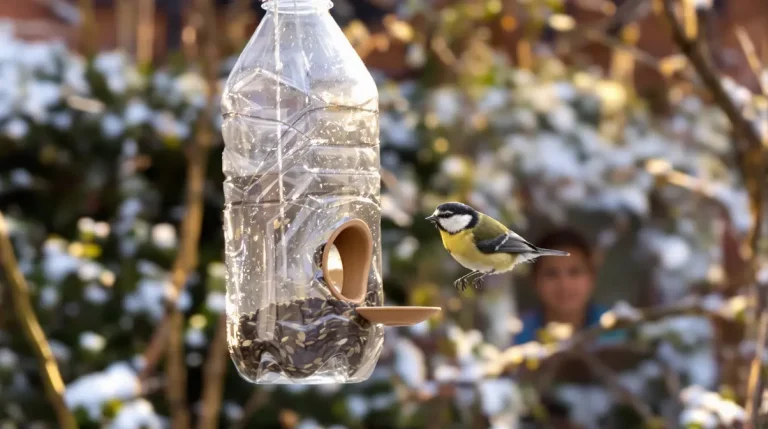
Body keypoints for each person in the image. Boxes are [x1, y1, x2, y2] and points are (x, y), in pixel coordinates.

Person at [513, 228, 622, 345]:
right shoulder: (515, 335)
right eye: (551, 274)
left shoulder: (616, 331)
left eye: (574, 272)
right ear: (534, 281)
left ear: (592, 277)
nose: (564, 285)